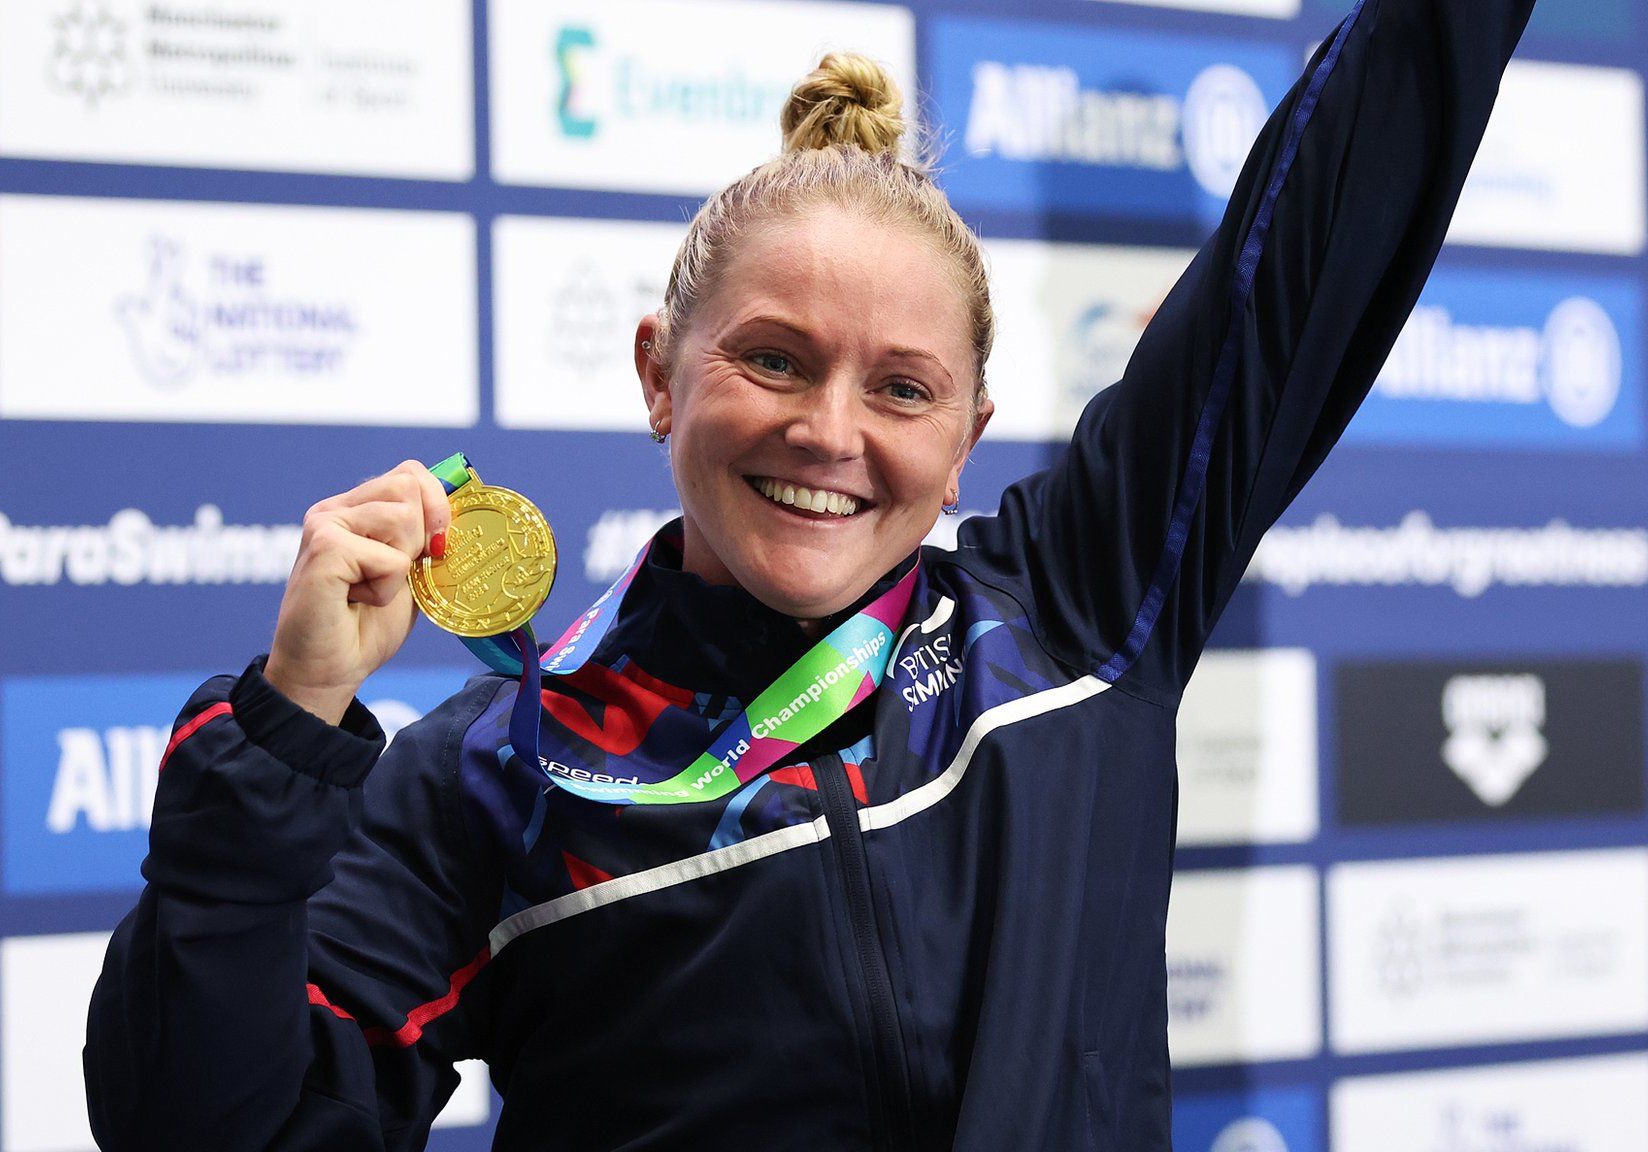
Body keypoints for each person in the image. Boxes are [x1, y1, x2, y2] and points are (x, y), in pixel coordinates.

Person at [86, 0, 1535, 1147]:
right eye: (772, 359)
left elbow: (1340, 197)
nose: (828, 433)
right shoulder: (504, 772)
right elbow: (209, 1127)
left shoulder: (1072, 617)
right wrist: (283, 734)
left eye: (901, 389)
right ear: (662, 376)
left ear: (967, 438)